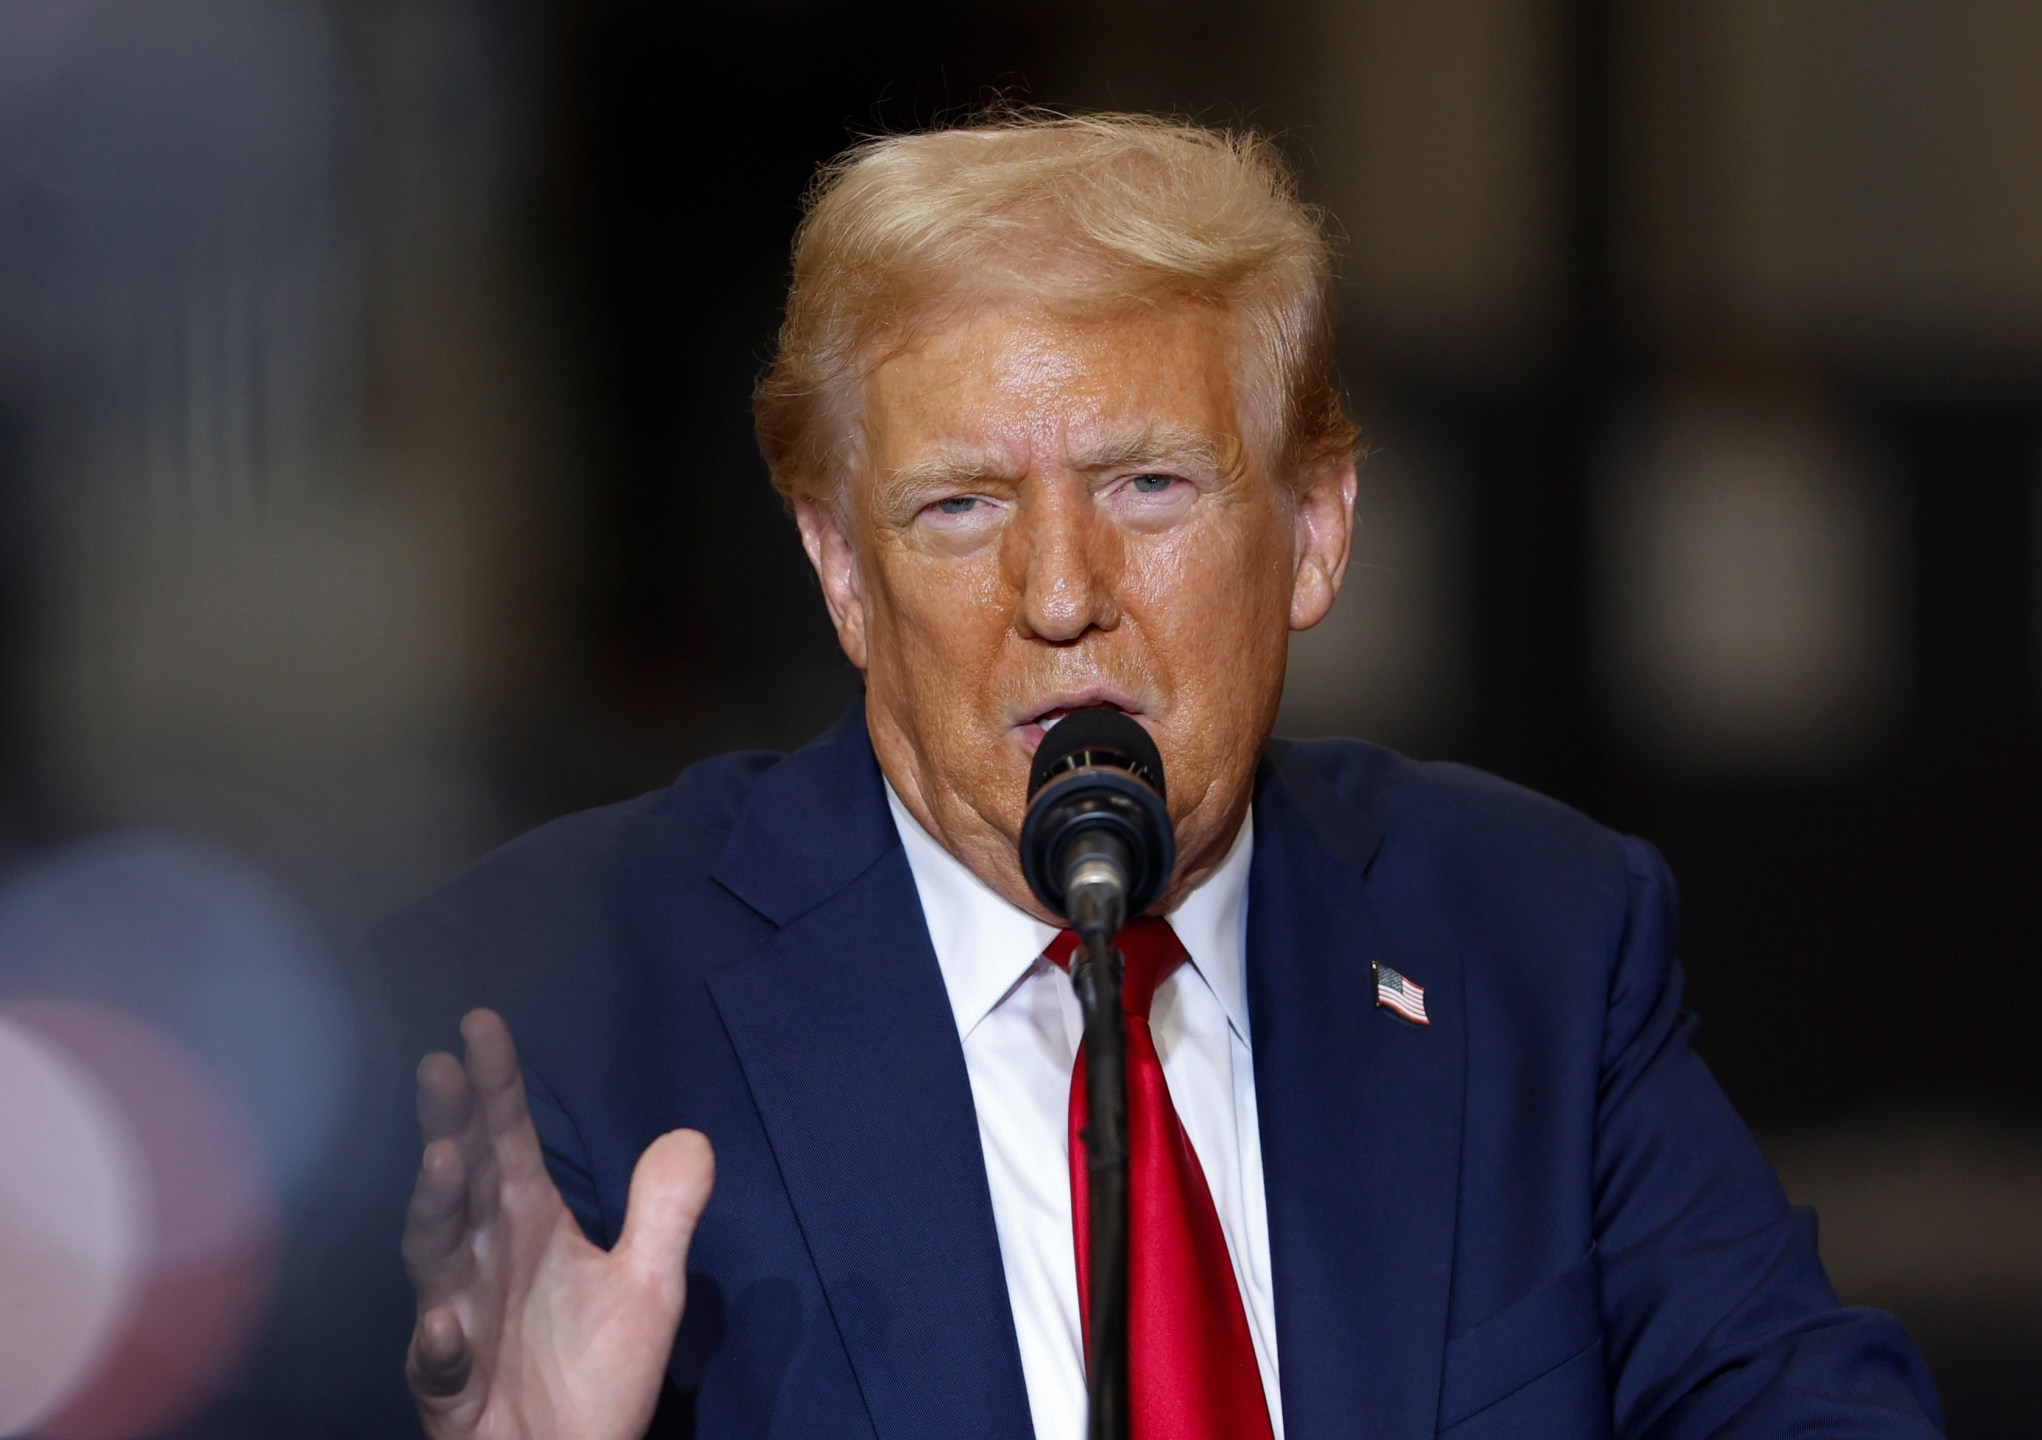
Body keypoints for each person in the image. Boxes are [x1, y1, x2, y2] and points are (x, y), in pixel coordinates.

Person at [384, 113, 1943, 1440]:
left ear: (1317, 528)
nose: (1061, 592)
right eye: (958, 508)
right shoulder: (556, 1003)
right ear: (841, 571)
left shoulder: (1533, 936)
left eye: (1147, 484)